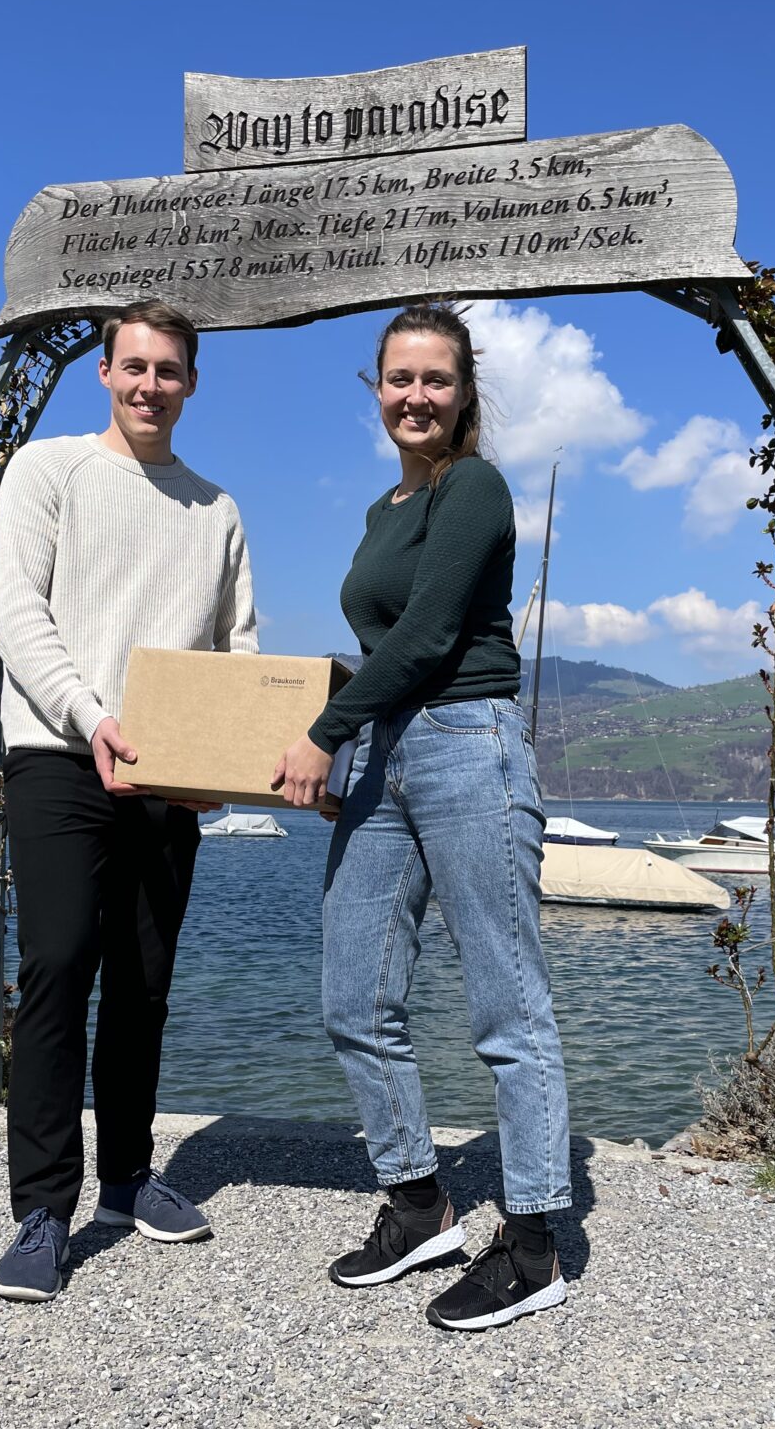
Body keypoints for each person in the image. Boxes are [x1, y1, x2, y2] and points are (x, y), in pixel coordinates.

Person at [273, 303, 572, 1332]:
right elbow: (381, 654)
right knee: (353, 993)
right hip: (382, 751)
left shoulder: (476, 486)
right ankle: (418, 1204)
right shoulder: (378, 511)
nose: (415, 397)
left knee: (507, 1008)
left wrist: (320, 733)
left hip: (466, 747)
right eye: (399, 379)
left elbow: (437, 632)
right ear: (377, 389)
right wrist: (332, 742)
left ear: (463, 392)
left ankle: (534, 1244)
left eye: (435, 380)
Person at [0, 300, 256, 1302]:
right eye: (134, 366)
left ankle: (129, 1181)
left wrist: (230, 760)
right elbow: (15, 611)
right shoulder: (48, 471)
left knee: (143, 982)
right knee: (58, 966)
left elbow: (239, 648)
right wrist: (92, 715)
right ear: (103, 371)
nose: (150, 384)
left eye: (169, 370)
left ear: (191, 383)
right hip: (60, 753)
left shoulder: (216, 510)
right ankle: (41, 1210)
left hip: (165, 773)